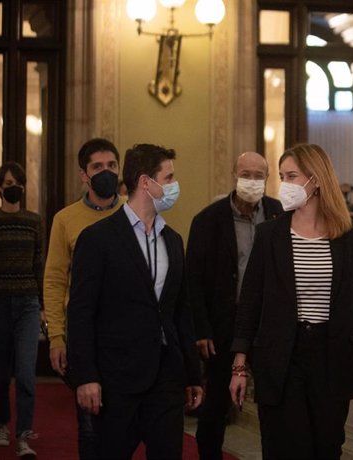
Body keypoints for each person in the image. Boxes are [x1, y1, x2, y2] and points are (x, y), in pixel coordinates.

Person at [229, 144, 353, 459]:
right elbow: (251, 302)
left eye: (292, 175)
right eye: (282, 176)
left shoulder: (346, 236)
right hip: (283, 357)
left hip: (331, 358)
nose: (285, 184)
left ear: (316, 179)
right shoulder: (271, 235)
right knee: (286, 447)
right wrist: (239, 365)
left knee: (325, 447)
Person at [67, 143, 203, 459]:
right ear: (145, 182)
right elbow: (82, 312)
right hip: (116, 379)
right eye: (168, 178)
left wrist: (192, 374)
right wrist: (85, 376)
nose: (173, 186)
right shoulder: (98, 239)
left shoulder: (173, 240)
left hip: (165, 379)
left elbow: (180, 310)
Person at [187, 152, 282, 459]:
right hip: (223, 326)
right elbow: (194, 280)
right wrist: (201, 329)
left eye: (259, 175)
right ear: (234, 174)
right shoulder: (208, 219)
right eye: (246, 173)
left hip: (268, 325)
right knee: (216, 406)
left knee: (274, 404)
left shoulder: (278, 213)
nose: (252, 181)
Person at [43, 137, 122, 459]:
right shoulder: (66, 219)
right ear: (84, 175)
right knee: (89, 421)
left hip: (124, 334)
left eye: (112, 166)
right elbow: (55, 280)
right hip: (83, 333)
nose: (106, 172)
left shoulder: (133, 212)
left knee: (123, 423)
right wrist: (57, 337)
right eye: (98, 167)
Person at [0, 162, 43, 457]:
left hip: (27, 303)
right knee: (0, 372)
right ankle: (1, 422)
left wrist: (42, 307)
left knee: (27, 372)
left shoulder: (34, 221)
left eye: (18, 182)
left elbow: (39, 264)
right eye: (9, 182)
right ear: (0, 186)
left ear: (22, 188)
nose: (13, 187)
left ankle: (23, 434)